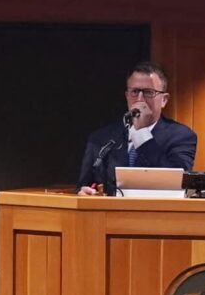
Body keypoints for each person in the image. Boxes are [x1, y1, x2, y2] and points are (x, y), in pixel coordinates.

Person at [77, 61, 198, 195]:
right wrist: (84, 192)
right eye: (135, 92)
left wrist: (142, 133)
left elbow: (177, 182)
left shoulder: (181, 136)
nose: (140, 99)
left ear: (164, 99)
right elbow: (85, 184)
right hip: (109, 214)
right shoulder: (101, 138)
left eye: (148, 92)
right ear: (127, 96)